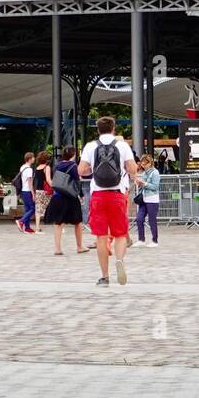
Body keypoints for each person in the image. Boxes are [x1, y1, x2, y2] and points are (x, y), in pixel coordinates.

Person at [78, 116, 139, 286]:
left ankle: (104, 276)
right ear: (114, 128)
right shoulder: (122, 145)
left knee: (101, 237)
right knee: (120, 234)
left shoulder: (90, 146)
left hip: (98, 195)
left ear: (97, 129)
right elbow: (133, 169)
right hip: (117, 194)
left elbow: (81, 170)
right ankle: (119, 260)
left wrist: (92, 168)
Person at [43, 145, 87, 255]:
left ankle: (57, 248)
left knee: (58, 223)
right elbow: (77, 182)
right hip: (70, 197)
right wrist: (81, 194)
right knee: (77, 222)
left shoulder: (57, 165)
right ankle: (79, 246)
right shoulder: (73, 166)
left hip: (58, 196)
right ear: (73, 154)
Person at [134, 153, 161, 246]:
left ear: (150, 163)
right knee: (139, 218)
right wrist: (138, 183)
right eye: (142, 164)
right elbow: (143, 184)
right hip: (144, 199)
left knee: (152, 220)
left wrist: (144, 183)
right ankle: (141, 239)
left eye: (145, 164)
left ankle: (155, 240)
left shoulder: (155, 172)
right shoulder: (144, 173)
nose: (143, 165)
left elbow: (155, 187)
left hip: (152, 199)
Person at [15, 151, 36, 234]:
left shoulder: (22, 167)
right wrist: (33, 194)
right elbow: (30, 183)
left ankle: (27, 227)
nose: (34, 159)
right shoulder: (30, 169)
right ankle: (21, 221)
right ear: (30, 159)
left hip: (23, 191)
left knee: (27, 209)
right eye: (33, 157)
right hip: (27, 191)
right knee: (32, 209)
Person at [32, 152, 52, 231]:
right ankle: (59, 226)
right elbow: (48, 180)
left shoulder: (37, 168)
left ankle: (37, 228)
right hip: (46, 191)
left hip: (38, 190)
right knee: (54, 206)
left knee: (38, 209)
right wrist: (55, 187)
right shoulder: (46, 167)